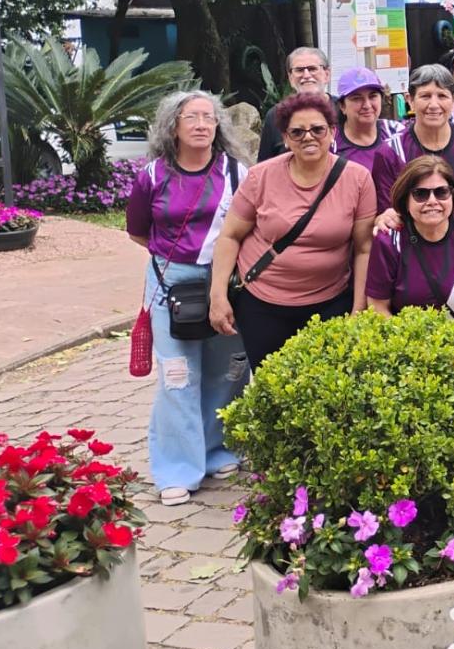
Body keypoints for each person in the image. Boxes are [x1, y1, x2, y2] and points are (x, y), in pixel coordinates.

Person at [126, 91, 249, 507]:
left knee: (227, 371)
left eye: (209, 117)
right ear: (172, 126)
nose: (201, 124)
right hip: (169, 281)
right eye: (190, 117)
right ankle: (176, 468)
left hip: (225, 282)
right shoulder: (153, 175)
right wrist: (175, 264)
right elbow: (138, 231)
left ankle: (219, 451)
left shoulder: (238, 173)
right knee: (178, 375)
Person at [209, 93, 377, 370]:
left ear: (332, 132)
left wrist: (359, 307)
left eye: (317, 129)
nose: (308, 137)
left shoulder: (357, 179)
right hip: (262, 304)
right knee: (272, 389)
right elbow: (230, 236)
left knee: (327, 389)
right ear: (285, 138)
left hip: (330, 304)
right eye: (297, 132)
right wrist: (218, 296)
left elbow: (364, 248)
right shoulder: (260, 176)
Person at [365, 156, 454, 326]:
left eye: (441, 192)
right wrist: (413, 348)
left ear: (452, 195)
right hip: (406, 345)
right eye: (420, 194)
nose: (432, 201)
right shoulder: (389, 240)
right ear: (406, 199)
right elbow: (377, 307)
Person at [372, 65, 454, 226]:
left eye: (442, 96)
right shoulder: (391, 151)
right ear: (410, 100)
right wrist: (386, 218)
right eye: (425, 96)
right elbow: (385, 211)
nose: (434, 104)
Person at [257, 48, 332, 161]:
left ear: (327, 74)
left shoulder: (344, 110)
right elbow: (264, 167)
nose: (306, 75)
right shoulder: (275, 115)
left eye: (312, 69)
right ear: (291, 78)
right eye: (299, 70)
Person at [333, 67, 399, 174]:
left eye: (373, 96)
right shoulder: (331, 142)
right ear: (342, 106)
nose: (367, 105)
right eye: (357, 98)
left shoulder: (396, 132)